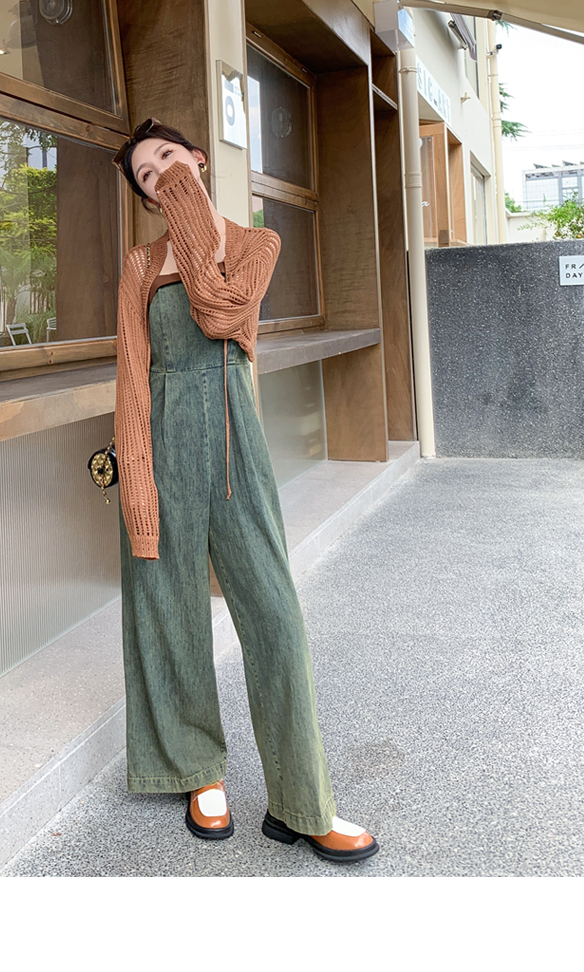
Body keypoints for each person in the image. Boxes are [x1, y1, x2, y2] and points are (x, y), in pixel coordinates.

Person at [111, 117, 379, 864]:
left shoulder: (257, 244)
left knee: (275, 616)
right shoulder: (139, 265)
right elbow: (132, 377)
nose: (160, 176)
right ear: (145, 199)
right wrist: (138, 485)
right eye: (147, 177)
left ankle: (303, 802)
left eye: (168, 159)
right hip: (160, 442)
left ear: (198, 158)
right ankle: (196, 767)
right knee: (168, 610)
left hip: (236, 445)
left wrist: (192, 213)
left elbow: (221, 312)